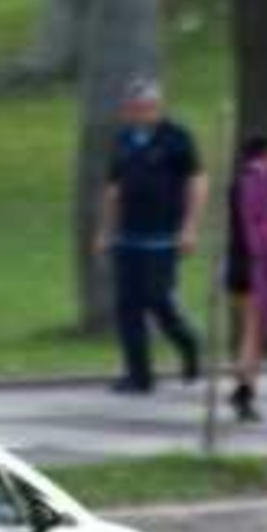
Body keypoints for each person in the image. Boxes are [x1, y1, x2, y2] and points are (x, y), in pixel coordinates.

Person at [95, 77, 207, 395]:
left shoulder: (176, 138)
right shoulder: (123, 140)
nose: (141, 114)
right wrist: (105, 230)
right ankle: (138, 374)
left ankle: (187, 343)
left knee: (158, 299)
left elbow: (196, 181)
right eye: (135, 108)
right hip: (129, 236)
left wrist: (190, 227)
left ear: (158, 108)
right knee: (128, 305)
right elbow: (113, 189)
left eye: (147, 108)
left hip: (164, 236)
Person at [229, 135, 267, 423]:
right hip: (258, 265)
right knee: (254, 334)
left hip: (236, 263)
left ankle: (243, 385)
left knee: (246, 330)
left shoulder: (237, 181)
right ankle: (245, 390)